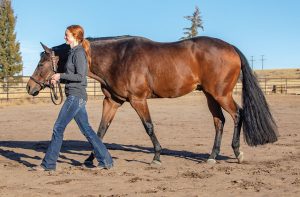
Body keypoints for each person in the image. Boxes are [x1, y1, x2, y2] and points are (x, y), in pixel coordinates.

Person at [33, 25, 113, 171]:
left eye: (67, 35)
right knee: (87, 130)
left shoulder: (79, 53)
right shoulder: (72, 52)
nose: (64, 37)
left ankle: (48, 164)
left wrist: (60, 75)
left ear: (75, 37)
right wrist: (57, 79)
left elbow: (81, 76)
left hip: (76, 96)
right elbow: (73, 77)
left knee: (58, 128)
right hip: (75, 96)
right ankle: (106, 160)